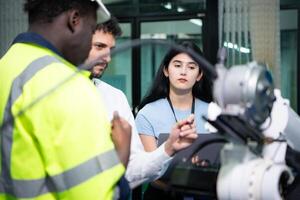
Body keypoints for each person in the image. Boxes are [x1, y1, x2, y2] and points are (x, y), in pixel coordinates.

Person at [0, 0, 129, 199]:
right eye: (91, 29)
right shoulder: (67, 84)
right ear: (74, 20)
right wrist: (122, 153)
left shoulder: (7, 65)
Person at [85, 17, 199, 188]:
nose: (108, 58)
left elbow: (133, 169)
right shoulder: (52, 91)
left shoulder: (115, 97)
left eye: (111, 50)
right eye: (99, 46)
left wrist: (167, 148)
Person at [135, 41, 212, 199]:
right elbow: (149, 170)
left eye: (191, 67)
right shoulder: (147, 113)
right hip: (162, 195)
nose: (183, 72)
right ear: (166, 70)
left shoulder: (213, 112)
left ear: (199, 75)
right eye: (177, 65)